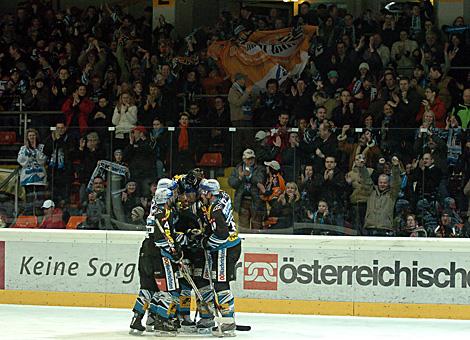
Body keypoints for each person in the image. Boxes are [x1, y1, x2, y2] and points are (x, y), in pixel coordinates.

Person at [130, 187, 181, 336]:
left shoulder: (153, 212)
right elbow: (161, 239)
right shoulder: (164, 214)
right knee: (169, 289)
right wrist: (174, 253)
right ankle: (163, 322)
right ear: (167, 200)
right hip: (159, 256)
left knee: (148, 288)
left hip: (145, 252)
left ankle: (136, 319)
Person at [198, 179, 241, 337]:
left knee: (221, 284)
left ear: (210, 194)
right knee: (206, 280)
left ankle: (228, 321)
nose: (201, 195)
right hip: (226, 246)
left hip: (225, 248)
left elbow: (222, 234)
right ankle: (209, 316)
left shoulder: (216, 211)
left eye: (203, 193)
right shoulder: (222, 195)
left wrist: (206, 242)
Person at [362, 156, 401, 235]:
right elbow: (366, 180)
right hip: (370, 227)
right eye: (381, 182)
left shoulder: (392, 194)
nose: (382, 184)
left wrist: (396, 167)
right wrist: (362, 167)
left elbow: (396, 182)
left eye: (385, 182)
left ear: (388, 183)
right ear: (378, 182)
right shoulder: (371, 192)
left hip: (385, 228)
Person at [228, 149, 266, 230]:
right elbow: (232, 183)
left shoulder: (260, 168)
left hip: (256, 200)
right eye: (248, 159)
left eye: (252, 158)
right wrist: (240, 177)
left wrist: (250, 176)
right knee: (243, 226)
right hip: (243, 200)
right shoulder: (237, 169)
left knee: (257, 225)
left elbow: (260, 180)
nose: (250, 161)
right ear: (244, 159)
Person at [17, 128, 47, 214]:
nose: (32, 137)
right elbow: (21, 161)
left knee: (40, 198)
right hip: (27, 178)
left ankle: (40, 215)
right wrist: (28, 153)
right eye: (30, 135)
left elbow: (42, 160)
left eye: (33, 135)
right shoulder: (23, 148)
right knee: (29, 198)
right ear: (27, 137)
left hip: (40, 177)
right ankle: (30, 217)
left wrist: (35, 150)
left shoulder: (41, 147)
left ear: (36, 136)